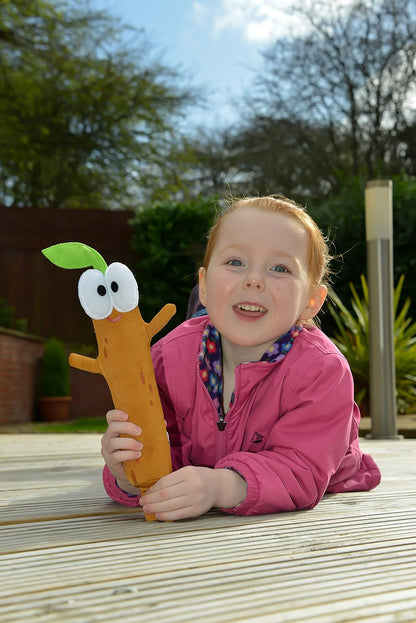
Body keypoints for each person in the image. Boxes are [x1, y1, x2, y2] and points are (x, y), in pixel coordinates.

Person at [101, 195, 381, 521]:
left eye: (280, 268)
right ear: (204, 284)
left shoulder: (323, 371)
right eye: (235, 262)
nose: (254, 279)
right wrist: (129, 474)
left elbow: (301, 469)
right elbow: (166, 454)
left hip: (324, 466)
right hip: (204, 423)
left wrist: (222, 486)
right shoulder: (166, 358)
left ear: (311, 301)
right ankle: (205, 310)